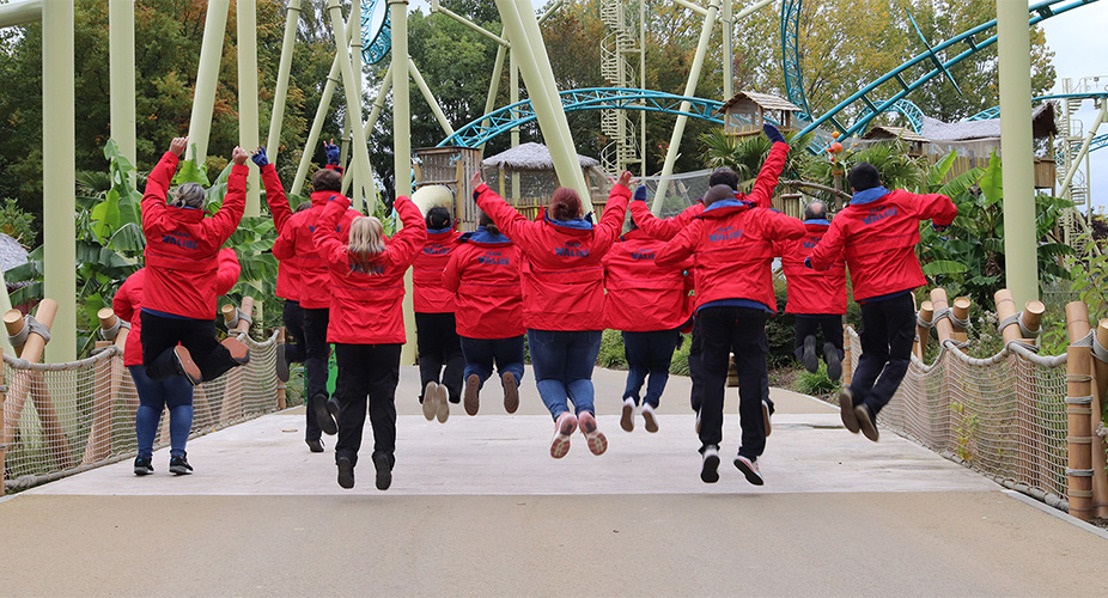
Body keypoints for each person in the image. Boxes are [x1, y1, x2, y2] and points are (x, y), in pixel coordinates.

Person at [656, 143, 804, 487]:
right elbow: (796, 230)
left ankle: (709, 445)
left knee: (712, 376)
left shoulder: (699, 225)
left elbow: (664, 257)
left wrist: (701, 260)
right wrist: (764, 247)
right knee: (752, 376)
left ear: (708, 200)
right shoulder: (756, 215)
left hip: (710, 307)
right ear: (737, 195)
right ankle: (749, 452)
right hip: (750, 305)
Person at [630, 126, 789, 428]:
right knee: (753, 355)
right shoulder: (753, 205)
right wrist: (778, 146)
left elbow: (658, 231)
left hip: (710, 295)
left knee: (702, 354)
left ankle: (703, 405)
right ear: (735, 187)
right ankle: (761, 400)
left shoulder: (697, 215)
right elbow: (768, 178)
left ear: (710, 189)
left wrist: (637, 203)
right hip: (752, 295)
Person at [473, 170, 632, 459]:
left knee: (548, 379)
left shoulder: (535, 236)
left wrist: (480, 190)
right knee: (580, 377)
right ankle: (585, 413)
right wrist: (620, 189)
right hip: (587, 321)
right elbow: (613, 220)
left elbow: (505, 216)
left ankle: (561, 417)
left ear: (550, 209)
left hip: (544, 321)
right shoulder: (596, 239)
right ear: (580, 211)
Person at [806, 162, 956, 442]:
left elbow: (824, 254)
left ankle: (854, 392)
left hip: (870, 299)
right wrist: (940, 223)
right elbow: (943, 204)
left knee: (873, 353)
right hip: (899, 295)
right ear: (879, 181)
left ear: (852, 189)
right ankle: (870, 407)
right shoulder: (901, 201)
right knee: (898, 359)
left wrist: (810, 261)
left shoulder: (846, 217)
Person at [313, 192, 426, 490]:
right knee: (383, 400)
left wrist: (338, 204)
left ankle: (346, 456)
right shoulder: (394, 257)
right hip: (386, 339)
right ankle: (384, 455)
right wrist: (402, 202)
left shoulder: (339, 259)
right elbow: (417, 231)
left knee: (351, 399)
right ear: (381, 236)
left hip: (349, 338)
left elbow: (321, 232)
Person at [116, 249, 241, 476]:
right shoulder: (191, 277)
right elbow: (224, 280)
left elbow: (119, 307)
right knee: (181, 403)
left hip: (140, 347)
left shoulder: (137, 278)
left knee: (148, 404)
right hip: (178, 348)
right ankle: (177, 456)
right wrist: (224, 253)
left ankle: (143, 457)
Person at [139, 137, 250, 386]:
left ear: (176, 197)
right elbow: (233, 208)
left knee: (153, 367)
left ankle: (174, 357)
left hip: (158, 311)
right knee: (202, 368)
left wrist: (171, 155)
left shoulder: (155, 223)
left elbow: (154, 187)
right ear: (202, 205)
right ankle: (227, 353)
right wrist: (239, 167)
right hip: (198, 314)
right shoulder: (211, 231)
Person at [272, 160, 361, 442]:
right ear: (339, 188)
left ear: (313, 190)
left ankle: (313, 430)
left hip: (310, 299)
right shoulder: (353, 219)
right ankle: (336, 399)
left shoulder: (298, 220)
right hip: (343, 298)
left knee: (315, 359)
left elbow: (280, 250)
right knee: (349, 358)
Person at [603, 188, 693, 433]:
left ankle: (629, 398)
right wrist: (684, 293)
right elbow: (692, 272)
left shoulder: (616, 250)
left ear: (630, 227)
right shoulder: (670, 248)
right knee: (660, 368)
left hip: (631, 320)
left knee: (637, 366)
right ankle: (650, 404)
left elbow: (598, 270)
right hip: (666, 319)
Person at [253, 147, 318, 452]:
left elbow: (278, 203)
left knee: (307, 349)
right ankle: (320, 416)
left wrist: (266, 168)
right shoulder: (328, 233)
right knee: (322, 356)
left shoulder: (288, 228)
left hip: (292, 306)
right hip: (320, 304)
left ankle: (290, 353)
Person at [442, 210, 525, 416]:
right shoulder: (517, 251)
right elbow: (529, 284)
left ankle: (474, 380)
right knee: (513, 362)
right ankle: (510, 377)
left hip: (473, 324)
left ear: (479, 221)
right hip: (510, 323)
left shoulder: (464, 251)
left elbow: (449, 283)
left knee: (476, 364)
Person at [777, 201, 846, 380]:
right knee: (838, 346)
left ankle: (808, 343)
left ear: (805, 217)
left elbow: (768, 247)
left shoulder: (790, 238)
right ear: (826, 217)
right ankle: (832, 350)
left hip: (802, 304)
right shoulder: (837, 236)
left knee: (800, 348)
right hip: (832, 304)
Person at [412, 206, 464, 422]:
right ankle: (450, 388)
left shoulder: (416, 243)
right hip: (452, 306)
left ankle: (428, 387)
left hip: (424, 308)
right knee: (458, 352)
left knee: (428, 353)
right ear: (449, 223)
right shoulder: (458, 242)